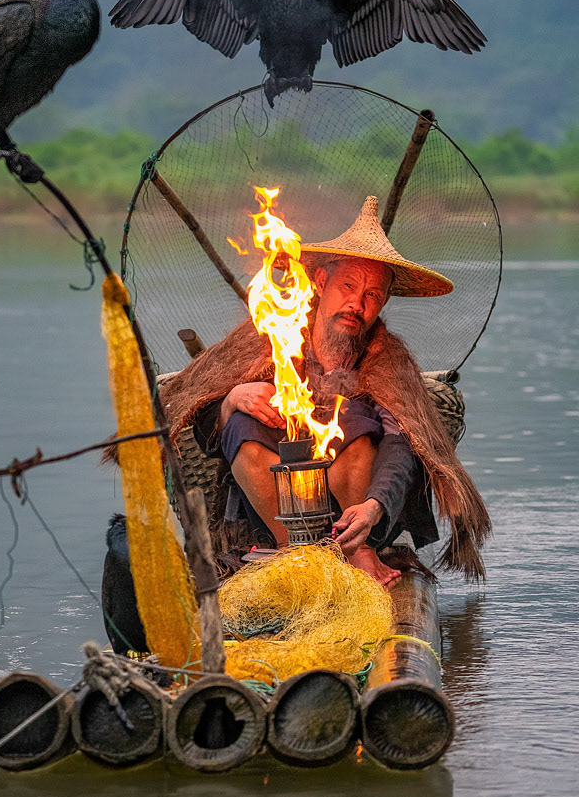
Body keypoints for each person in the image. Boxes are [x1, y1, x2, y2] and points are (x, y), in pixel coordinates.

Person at [161, 196, 491, 586]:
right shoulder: (271, 333)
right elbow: (200, 420)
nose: (357, 304)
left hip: (362, 519)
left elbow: (404, 442)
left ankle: (356, 553)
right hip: (277, 516)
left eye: (371, 295)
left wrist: (374, 506)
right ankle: (299, 556)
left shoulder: (386, 358)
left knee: (354, 421)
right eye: (348, 286)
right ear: (320, 282)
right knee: (241, 424)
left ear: (383, 302)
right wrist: (232, 400)